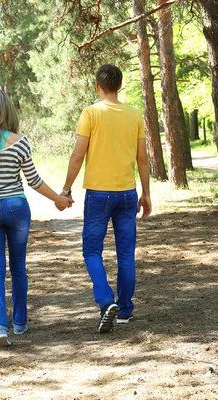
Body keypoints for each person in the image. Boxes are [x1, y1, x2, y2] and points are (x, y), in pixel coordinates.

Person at [0, 90, 73, 347]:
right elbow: (33, 181)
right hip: (17, 207)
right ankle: (21, 323)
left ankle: (0, 328)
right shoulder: (20, 141)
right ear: (8, 112)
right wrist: (58, 199)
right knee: (18, 267)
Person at [60, 64, 152, 334]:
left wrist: (66, 189)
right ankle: (124, 310)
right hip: (126, 194)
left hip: (98, 195)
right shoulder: (134, 114)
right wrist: (145, 193)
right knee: (126, 253)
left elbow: (78, 154)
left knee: (91, 251)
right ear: (119, 86)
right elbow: (143, 159)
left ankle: (105, 301)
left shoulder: (90, 113)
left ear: (97, 86)